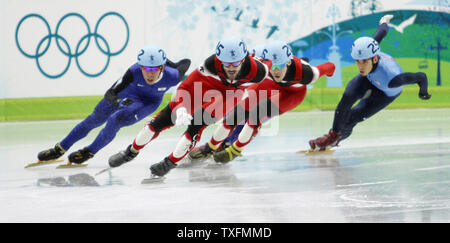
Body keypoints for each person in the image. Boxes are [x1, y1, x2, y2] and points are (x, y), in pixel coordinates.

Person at [108, 36, 271, 178]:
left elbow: (267, 89)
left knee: (196, 125)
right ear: (219, 60)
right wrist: (180, 108)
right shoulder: (210, 65)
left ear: (243, 59)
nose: (231, 68)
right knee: (164, 118)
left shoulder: (259, 72)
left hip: (230, 96)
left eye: (235, 63)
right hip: (208, 85)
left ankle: (170, 163)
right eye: (226, 63)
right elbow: (185, 88)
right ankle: (131, 151)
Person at [36, 45, 191, 165]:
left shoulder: (173, 76)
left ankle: (89, 152)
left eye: (154, 69)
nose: (149, 73)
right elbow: (110, 93)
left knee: (114, 121)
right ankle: (60, 148)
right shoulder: (133, 71)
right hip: (126, 95)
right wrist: (118, 102)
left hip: (147, 103)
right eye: (145, 68)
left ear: (162, 67)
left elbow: (186, 62)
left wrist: (165, 60)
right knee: (93, 120)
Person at [188, 40, 335, 163]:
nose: (276, 71)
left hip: (293, 93)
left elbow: (329, 67)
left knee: (257, 115)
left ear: (289, 62)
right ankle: (210, 147)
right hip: (270, 84)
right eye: (273, 66)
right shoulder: (262, 65)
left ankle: (234, 149)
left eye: (280, 66)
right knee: (237, 113)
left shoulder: (308, 74)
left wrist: (331, 72)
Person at [309, 15, 431, 151]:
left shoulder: (393, 78)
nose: (360, 66)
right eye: (357, 61)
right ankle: (332, 137)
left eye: (364, 61)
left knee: (352, 117)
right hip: (369, 78)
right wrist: (384, 20)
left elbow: (421, 76)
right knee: (347, 99)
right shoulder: (369, 47)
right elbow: (382, 31)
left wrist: (423, 93)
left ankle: (336, 141)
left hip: (385, 92)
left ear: (374, 59)